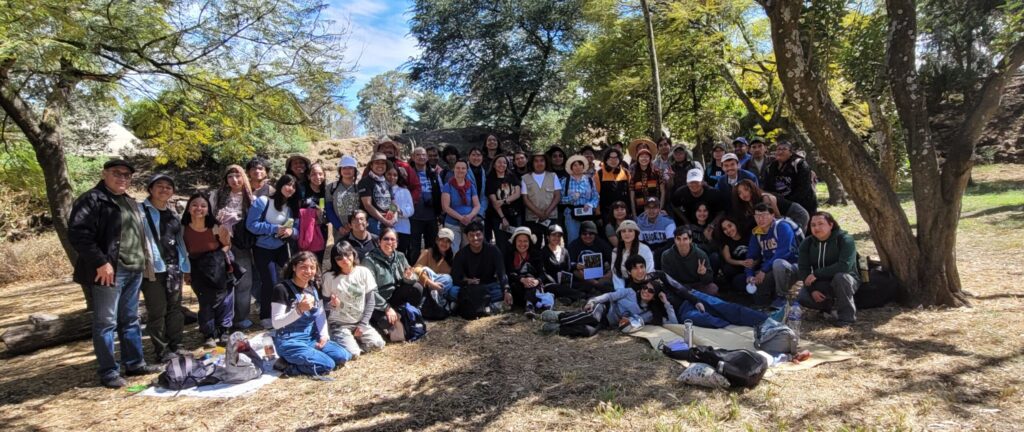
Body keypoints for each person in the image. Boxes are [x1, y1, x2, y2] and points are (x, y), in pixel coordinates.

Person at [69, 159, 161, 388]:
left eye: (127, 176)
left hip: (134, 268)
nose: (122, 178)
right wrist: (101, 262)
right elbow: (79, 235)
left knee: (130, 319)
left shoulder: (128, 201)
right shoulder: (92, 199)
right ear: (104, 174)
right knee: (106, 322)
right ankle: (109, 371)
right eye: (117, 174)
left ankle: (135, 363)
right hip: (109, 271)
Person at [271, 251, 351, 376]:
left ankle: (309, 356)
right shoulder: (281, 289)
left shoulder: (314, 287)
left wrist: (324, 335)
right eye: (303, 267)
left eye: (312, 267)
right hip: (290, 340)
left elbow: (319, 314)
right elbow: (276, 323)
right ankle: (287, 365)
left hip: (311, 338)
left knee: (343, 356)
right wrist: (298, 310)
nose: (308, 271)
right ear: (293, 267)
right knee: (327, 365)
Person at [139, 174, 190, 364]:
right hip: (152, 269)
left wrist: (185, 266)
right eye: (159, 186)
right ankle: (161, 349)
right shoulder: (140, 212)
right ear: (150, 189)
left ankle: (176, 344)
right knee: (157, 310)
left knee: (175, 308)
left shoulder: (172, 214)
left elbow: (179, 243)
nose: (164, 190)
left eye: (169, 187)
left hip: (173, 267)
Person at [247, 174, 300, 329]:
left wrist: (291, 232)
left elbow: (296, 230)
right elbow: (251, 225)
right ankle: (265, 316)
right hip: (262, 248)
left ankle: (286, 314)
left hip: (282, 247)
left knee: (286, 279)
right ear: (280, 185)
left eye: (294, 186)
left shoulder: (290, 207)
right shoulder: (263, 202)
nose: (290, 189)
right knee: (269, 282)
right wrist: (274, 228)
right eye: (288, 185)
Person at [207, 165, 255, 330]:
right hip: (220, 244)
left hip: (242, 244)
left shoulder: (250, 198)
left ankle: (241, 318)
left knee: (244, 281)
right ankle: (222, 320)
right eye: (230, 177)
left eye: (238, 176)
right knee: (222, 283)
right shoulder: (216, 196)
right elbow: (209, 218)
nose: (234, 180)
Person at [321, 242, 385, 357]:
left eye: (347, 254)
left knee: (378, 345)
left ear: (353, 253)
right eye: (339, 258)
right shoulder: (329, 277)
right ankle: (344, 341)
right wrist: (331, 304)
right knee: (354, 354)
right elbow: (324, 304)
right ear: (334, 260)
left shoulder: (363, 272)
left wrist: (363, 324)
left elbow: (371, 301)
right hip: (339, 323)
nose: (344, 259)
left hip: (359, 321)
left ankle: (355, 341)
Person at [797, 212, 859, 326]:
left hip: (847, 280)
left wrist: (817, 273)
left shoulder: (845, 239)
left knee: (840, 277)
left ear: (830, 225)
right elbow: (803, 269)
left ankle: (846, 318)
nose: (816, 228)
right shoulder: (807, 242)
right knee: (803, 297)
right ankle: (831, 307)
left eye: (821, 224)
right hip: (822, 282)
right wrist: (812, 290)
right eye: (813, 225)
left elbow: (844, 266)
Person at [363, 228, 422, 339]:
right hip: (377, 301)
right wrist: (387, 308)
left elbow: (411, 278)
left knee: (417, 287)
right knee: (387, 322)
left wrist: (408, 277)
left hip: (395, 295)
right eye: (386, 239)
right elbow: (370, 291)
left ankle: (408, 314)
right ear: (379, 241)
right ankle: (376, 321)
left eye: (393, 239)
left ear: (397, 243)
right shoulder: (369, 261)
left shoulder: (400, 256)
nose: (389, 242)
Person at [450, 221, 512, 312]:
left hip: (489, 286)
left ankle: (468, 303)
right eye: (471, 235)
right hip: (471, 288)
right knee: (453, 291)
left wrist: (507, 290)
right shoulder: (461, 254)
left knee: (503, 291)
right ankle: (488, 305)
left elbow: (501, 273)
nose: (475, 238)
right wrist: (468, 281)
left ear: (483, 234)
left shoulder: (493, 250)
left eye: (478, 235)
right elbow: (455, 278)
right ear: (467, 237)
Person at [747, 203, 799, 306]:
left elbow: (783, 252)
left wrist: (763, 270)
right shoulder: (756, 233)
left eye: (764, 215)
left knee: (778, 263)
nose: (760, 219)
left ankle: (782, 297)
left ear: (772, 215)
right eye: (757, 216)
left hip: (791, 266)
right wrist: (749, 275)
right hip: (769, 269)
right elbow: (751, 257)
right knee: (758, 294)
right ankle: (769, 303)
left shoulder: (782, 226)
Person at [732, 179, 809, 235]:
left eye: (746, 190)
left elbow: (777, 219)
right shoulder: (748, 204)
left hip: (797, 214)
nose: (744, 194)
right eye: (739, 193)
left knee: (793, 238)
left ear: (752, 188)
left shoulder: (765, 198)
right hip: (785, 217)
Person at [763, 140, 818, 216]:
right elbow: (768, 187)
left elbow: (804, 187)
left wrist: (791, 202)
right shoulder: (771, 167)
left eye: (784, 149)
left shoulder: (799, 164)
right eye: (778, 149)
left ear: (791, 152)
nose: (780, 152)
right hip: (781, 205)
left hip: (803, 205)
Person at [661, 227, 719, 296]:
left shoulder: (701, 254)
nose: (681, 243)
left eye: (685, 239)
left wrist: (703, 273)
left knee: (713, 288)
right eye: (678, 239)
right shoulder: (666, 255)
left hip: (697, 285)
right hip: (679, 286)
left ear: (690, 240)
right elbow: (667, 278)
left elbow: (709, 280)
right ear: (674, 240)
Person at [521, 151, 562, 244]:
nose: (539, 163)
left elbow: (557, 195)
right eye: (536, 161)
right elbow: (525, 199)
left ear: (546, 162)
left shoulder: (553, 176)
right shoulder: (525, 178)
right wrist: (539, 213)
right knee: (535, 245)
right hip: (532, 218)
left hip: (551, 217)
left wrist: (547, 212)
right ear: (532, 163)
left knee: (552, 244)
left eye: (542, 160)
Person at [441, 159, 481, 252]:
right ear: (454, 169)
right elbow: (445, 207)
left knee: (468, 251)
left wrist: (469, 217)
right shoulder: (448, 186)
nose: (460, 170)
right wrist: (461, 218)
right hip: (452, 224)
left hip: (469, 223)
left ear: (466, 170)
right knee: (454, 251)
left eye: (463, 168)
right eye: (458, 168)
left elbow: (477, 205)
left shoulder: (471, 186)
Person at [410, 147, 442, 261]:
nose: (421, 157)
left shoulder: (434, 174)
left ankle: (431, 270)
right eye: (418, 155)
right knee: (414, 247)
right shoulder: (408, 173)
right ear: (413, 157)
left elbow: (440, 192)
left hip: (431, 216)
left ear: (427, 157)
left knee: (432, 246)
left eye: (423, 155)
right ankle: (413, 273)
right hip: (414, 216)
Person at [505, 227, 547, 314]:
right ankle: (531, 303)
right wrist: (522, 279)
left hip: (533, 287)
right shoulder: (509, 255)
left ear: (529, 242)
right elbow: (509, 273)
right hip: (517, 287)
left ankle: (529, 304)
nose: (522, 244)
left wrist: (537, 281)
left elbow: (542, 273)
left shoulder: (536, 254)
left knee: (530, 278)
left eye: (525, 241)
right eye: (519, 241)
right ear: (515, 242)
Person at [486, 154, 522, 254]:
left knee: (515, 243)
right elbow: (494, 203)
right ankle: (502, 268)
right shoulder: (490, 179)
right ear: (494, 165)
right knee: (501, 245)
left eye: (504, 163)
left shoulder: (512, 176)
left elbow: (517, 194)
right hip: (498, 217)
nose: (502, 164)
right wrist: (502, 218)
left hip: (514, 215)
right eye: (499, 162)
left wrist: (503, 201)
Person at [567, 221, 614, 296]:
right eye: (584, 234)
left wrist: (608, 274)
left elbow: (613, 261)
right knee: (575, 273)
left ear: (595, 234)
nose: (587, 236)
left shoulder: (602, 244)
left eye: (591, 233)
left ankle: (595, 289)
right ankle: (594, 288)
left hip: (601, 277)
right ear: (580, 234)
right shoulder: (573, 245)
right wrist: (576, 265)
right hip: (582, 277)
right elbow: (568, 264)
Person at [561, 154, 599, 244]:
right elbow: (560, 199)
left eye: (580, 164)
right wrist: (572, 198)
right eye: (575, 165)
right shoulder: (565, 181)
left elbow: (596, 197)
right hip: (571, 215)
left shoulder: (589, 180)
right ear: (571, 167)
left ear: (583, 166)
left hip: (587, 214)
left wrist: (590, 204)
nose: (578, 167)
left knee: (589, 239)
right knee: (573, 239)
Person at [358, 153, 397, 235]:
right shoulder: (365, 182)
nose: (380, 165)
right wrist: (384, 220)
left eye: (383, 163)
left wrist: (394, 216)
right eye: (377, 163)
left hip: (388, 221)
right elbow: (367, 205)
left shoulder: (386, 182)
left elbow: (393, 202)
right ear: (371, 166)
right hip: (373, 222)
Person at [715, 216, 754, 294]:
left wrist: (754, 262)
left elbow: (758, 252)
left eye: (730, 226)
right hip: (738, 269)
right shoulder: (726, 242)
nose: (728, 230)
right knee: (731, 273)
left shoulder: (748, 234)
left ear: (735, 224)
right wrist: (741, 262)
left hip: (753, 266)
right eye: (724, 229)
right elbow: (728, 259)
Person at [610, 220, 654, 288]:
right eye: (623, 231)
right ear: (620, 235)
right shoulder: (615, 251)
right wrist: (621, 292)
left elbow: (649, 271)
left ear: (635, 234)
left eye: (630, 231)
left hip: (644, 285)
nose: (627, 234)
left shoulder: (645, 249)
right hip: (624, 285)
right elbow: (616, 274)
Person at [326, 155, 361, 240]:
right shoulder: (331, 187)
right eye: (344, 168)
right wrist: (339, 227)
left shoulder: (360, 186)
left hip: (358, 228)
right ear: (340, 170)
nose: (347, 170)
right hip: (339, 231)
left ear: (355, 170)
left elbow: (363, 208)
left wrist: (352, 225)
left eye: (350, 168)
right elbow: (329, 209)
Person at [595, 148, 632, 225]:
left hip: (623, 212)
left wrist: (630, 210)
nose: (613, 160)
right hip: (606, 213)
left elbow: (630, 193)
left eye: (616, 158)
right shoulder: (599, 174)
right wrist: (598, 214)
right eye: (610, 158)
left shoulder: (625, 172)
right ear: (606, 160)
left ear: (620, 159)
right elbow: (596, 195)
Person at [635, 197, 676, 265]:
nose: (651, 211)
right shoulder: (639, 223)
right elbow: (641, 243)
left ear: (659, 209)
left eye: (654, 208)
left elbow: (671, 244)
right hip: (648, 252)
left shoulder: (668, 222)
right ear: (645, 209)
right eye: (648, 208)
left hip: (665, 252)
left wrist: (656, 253)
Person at [387, 164, 415, 257]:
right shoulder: (380, 190)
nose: (392, 177)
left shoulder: (404, 191)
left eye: (395, 175)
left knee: (400, 255)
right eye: (389, 174)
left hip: (402, 229)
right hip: (385, 228)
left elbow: (411, 209)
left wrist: (400, 211)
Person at [629, 148, 665, 216]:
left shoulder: (657, 172)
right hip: (640, 210)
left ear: (650, 159)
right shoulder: (633, 175)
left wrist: (660, 208)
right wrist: (634, 214)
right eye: (641, 156)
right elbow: (632, 196)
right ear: (638, 159)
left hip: (655, 208)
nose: (644, 159)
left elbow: (663, 192)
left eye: (646, 157)